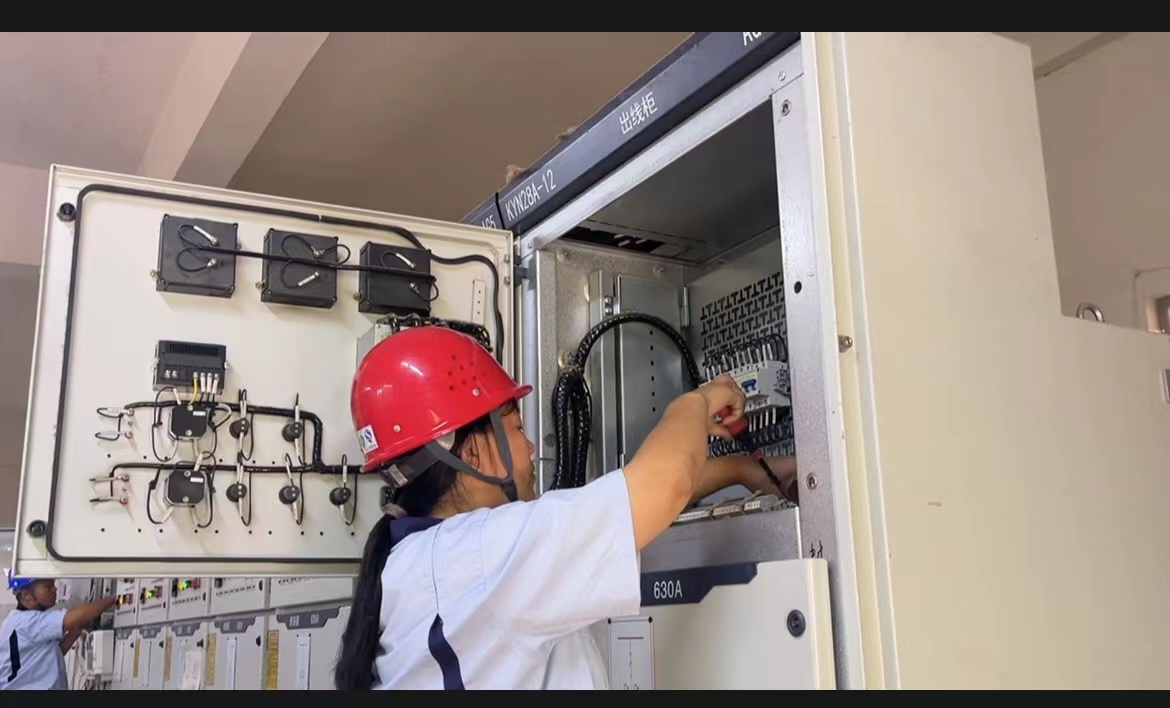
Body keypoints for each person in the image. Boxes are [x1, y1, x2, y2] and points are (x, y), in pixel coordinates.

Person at [335, 326, 799, 690]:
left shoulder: (423, 562)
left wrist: (740, 470)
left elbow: (617, 501)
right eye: (516, 429)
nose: (530, 448)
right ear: (470, 451)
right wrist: (696, 402)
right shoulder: (480, 557)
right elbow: (665, 482)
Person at [0, 573, 118, 690]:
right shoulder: (28, 621)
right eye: (48, 587)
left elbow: (50, 655)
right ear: (27, 595)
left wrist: (75, 632)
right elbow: (70, 619)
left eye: (53, 584)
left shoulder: (15, 621)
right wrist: (114, 599)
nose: (55, 589)